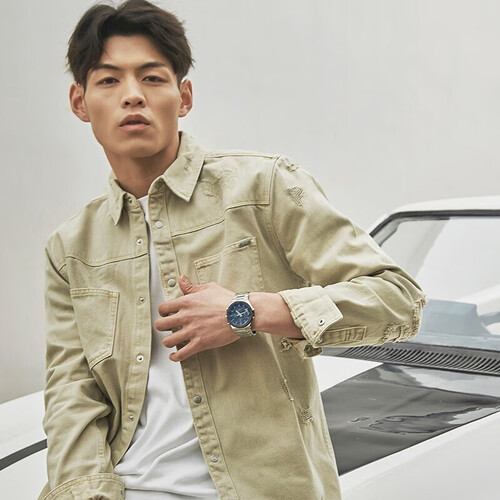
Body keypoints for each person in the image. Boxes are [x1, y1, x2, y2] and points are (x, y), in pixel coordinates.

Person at [39, 1, 425, 499]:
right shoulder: (71, 248)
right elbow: (72, 395)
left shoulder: (264, 187)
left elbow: (398, 299)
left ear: (183, 97)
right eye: (109, 80)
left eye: (152, 78)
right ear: (80, 101)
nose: (132, 95)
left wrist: (247, 311)